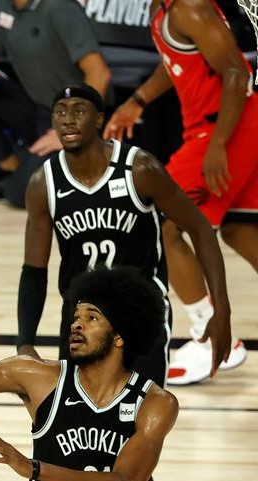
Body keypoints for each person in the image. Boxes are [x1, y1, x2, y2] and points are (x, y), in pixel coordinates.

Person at [17, 84, 231, 386]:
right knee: (80, 427)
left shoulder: (139, 169)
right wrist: (25, 342)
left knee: (141, 424)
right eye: (61, 113)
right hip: (80, 317)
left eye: (79, 111)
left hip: (140, 311)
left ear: (99, 120)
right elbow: (34, 270)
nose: (68, 120)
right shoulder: (43, 184)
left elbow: (200, 230)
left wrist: (221, 309)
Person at [0, 256, 179, 480]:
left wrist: (34, 469)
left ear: (120, 336)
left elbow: (125, 479)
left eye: (92, 317)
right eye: (76, 317)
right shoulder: (39, 378)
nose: (76, 324)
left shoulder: (155, 403)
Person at [103, 0, 253, 385]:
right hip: (225, 127)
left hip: (224, 128)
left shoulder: (189, 7)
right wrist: (137, 102)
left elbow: (238, 73)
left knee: (159, 224)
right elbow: (175, 63)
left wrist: (219, 145)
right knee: (240, 230)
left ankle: (211, 334)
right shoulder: (161, 8)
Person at [0, 0, 110, 206]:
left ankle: (68, 170)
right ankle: (13, 168)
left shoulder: (61, 8)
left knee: (19, 195)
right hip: (39, 108)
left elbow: (99, 73)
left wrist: (72, 129)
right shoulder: (4, 6)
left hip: (75, 114)